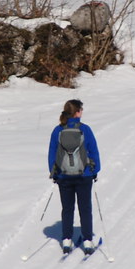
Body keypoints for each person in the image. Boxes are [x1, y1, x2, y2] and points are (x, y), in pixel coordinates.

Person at [47, 99, 101, 254]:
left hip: (63, 176)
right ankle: (88, 240)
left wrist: (54, 172)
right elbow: (93, 151)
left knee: (67, 208)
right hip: (84, 175)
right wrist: (95, 169)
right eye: (81, 110)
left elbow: (52, 153)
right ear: (77, 112)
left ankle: (66, 239)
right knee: (85, 208)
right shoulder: (85, 130)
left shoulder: (57, 130)